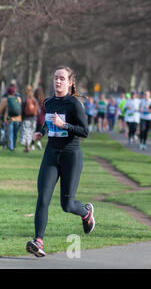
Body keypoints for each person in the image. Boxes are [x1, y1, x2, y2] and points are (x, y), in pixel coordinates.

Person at [26, 66, 94, 258]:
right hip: (51, 155)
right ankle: (38, 241)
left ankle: (86, 213)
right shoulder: (48, 102)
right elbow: (47, 122)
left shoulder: (74, 104)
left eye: (62, 79)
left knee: (67, 205)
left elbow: (85, 131)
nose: (57, 81)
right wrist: (41, 132)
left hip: (71, 156)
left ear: (70, 82)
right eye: (55, 78)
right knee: (43, 198)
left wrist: (64, 125)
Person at [0, 86, 22, 151]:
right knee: (15, 133)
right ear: (14, 92)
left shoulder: (5, 100)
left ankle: (11, 147)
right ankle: (13, 145)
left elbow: (0, 110)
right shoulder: (18, 99)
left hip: (8, 119)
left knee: (10, 133)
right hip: (18, 118)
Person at [20, 85, 39, 153]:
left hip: (26, 118)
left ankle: (27, 147)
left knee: (26, 132)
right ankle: (27, 147)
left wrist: (21, 117)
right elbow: (38, 110)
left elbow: (21, 110)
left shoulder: (25, 99)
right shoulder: (34, 99)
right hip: (34, 118)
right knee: (31, 132)